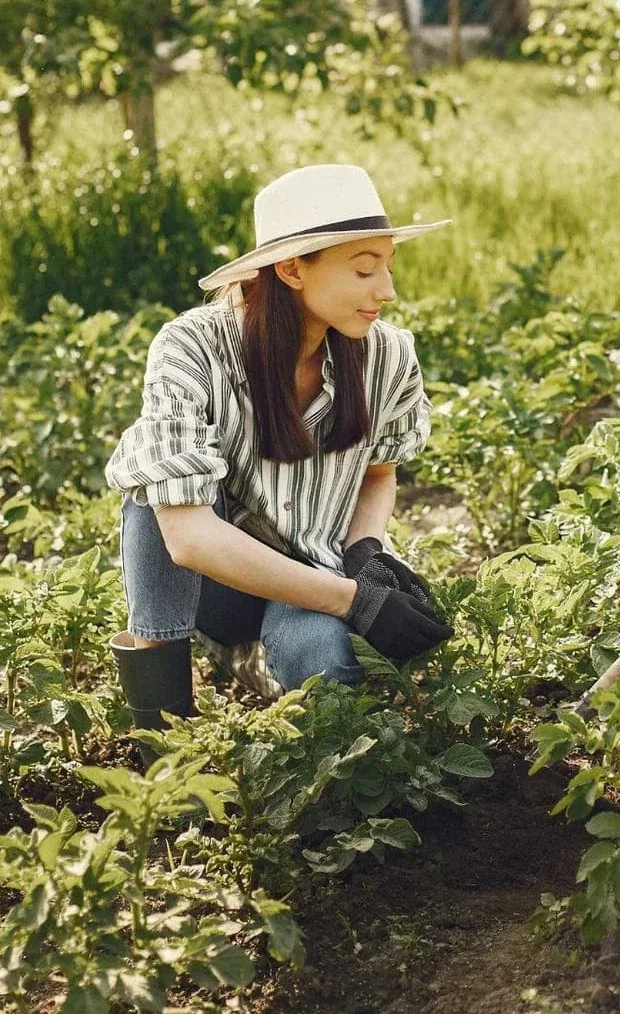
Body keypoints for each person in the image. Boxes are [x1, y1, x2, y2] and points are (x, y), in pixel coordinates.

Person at [103, 163, 455, 730]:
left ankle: (264, 669)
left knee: (327, 668)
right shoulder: (194, 347)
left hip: (317, 571)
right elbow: (187, 538)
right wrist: (351, 601)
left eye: (388, 267)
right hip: (217, 586)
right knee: (152, 496)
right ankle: (160, 732)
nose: (387, 291)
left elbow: (378, 474)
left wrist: (364, 556)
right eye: (365, 270)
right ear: (292, 269)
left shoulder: (388, 356)